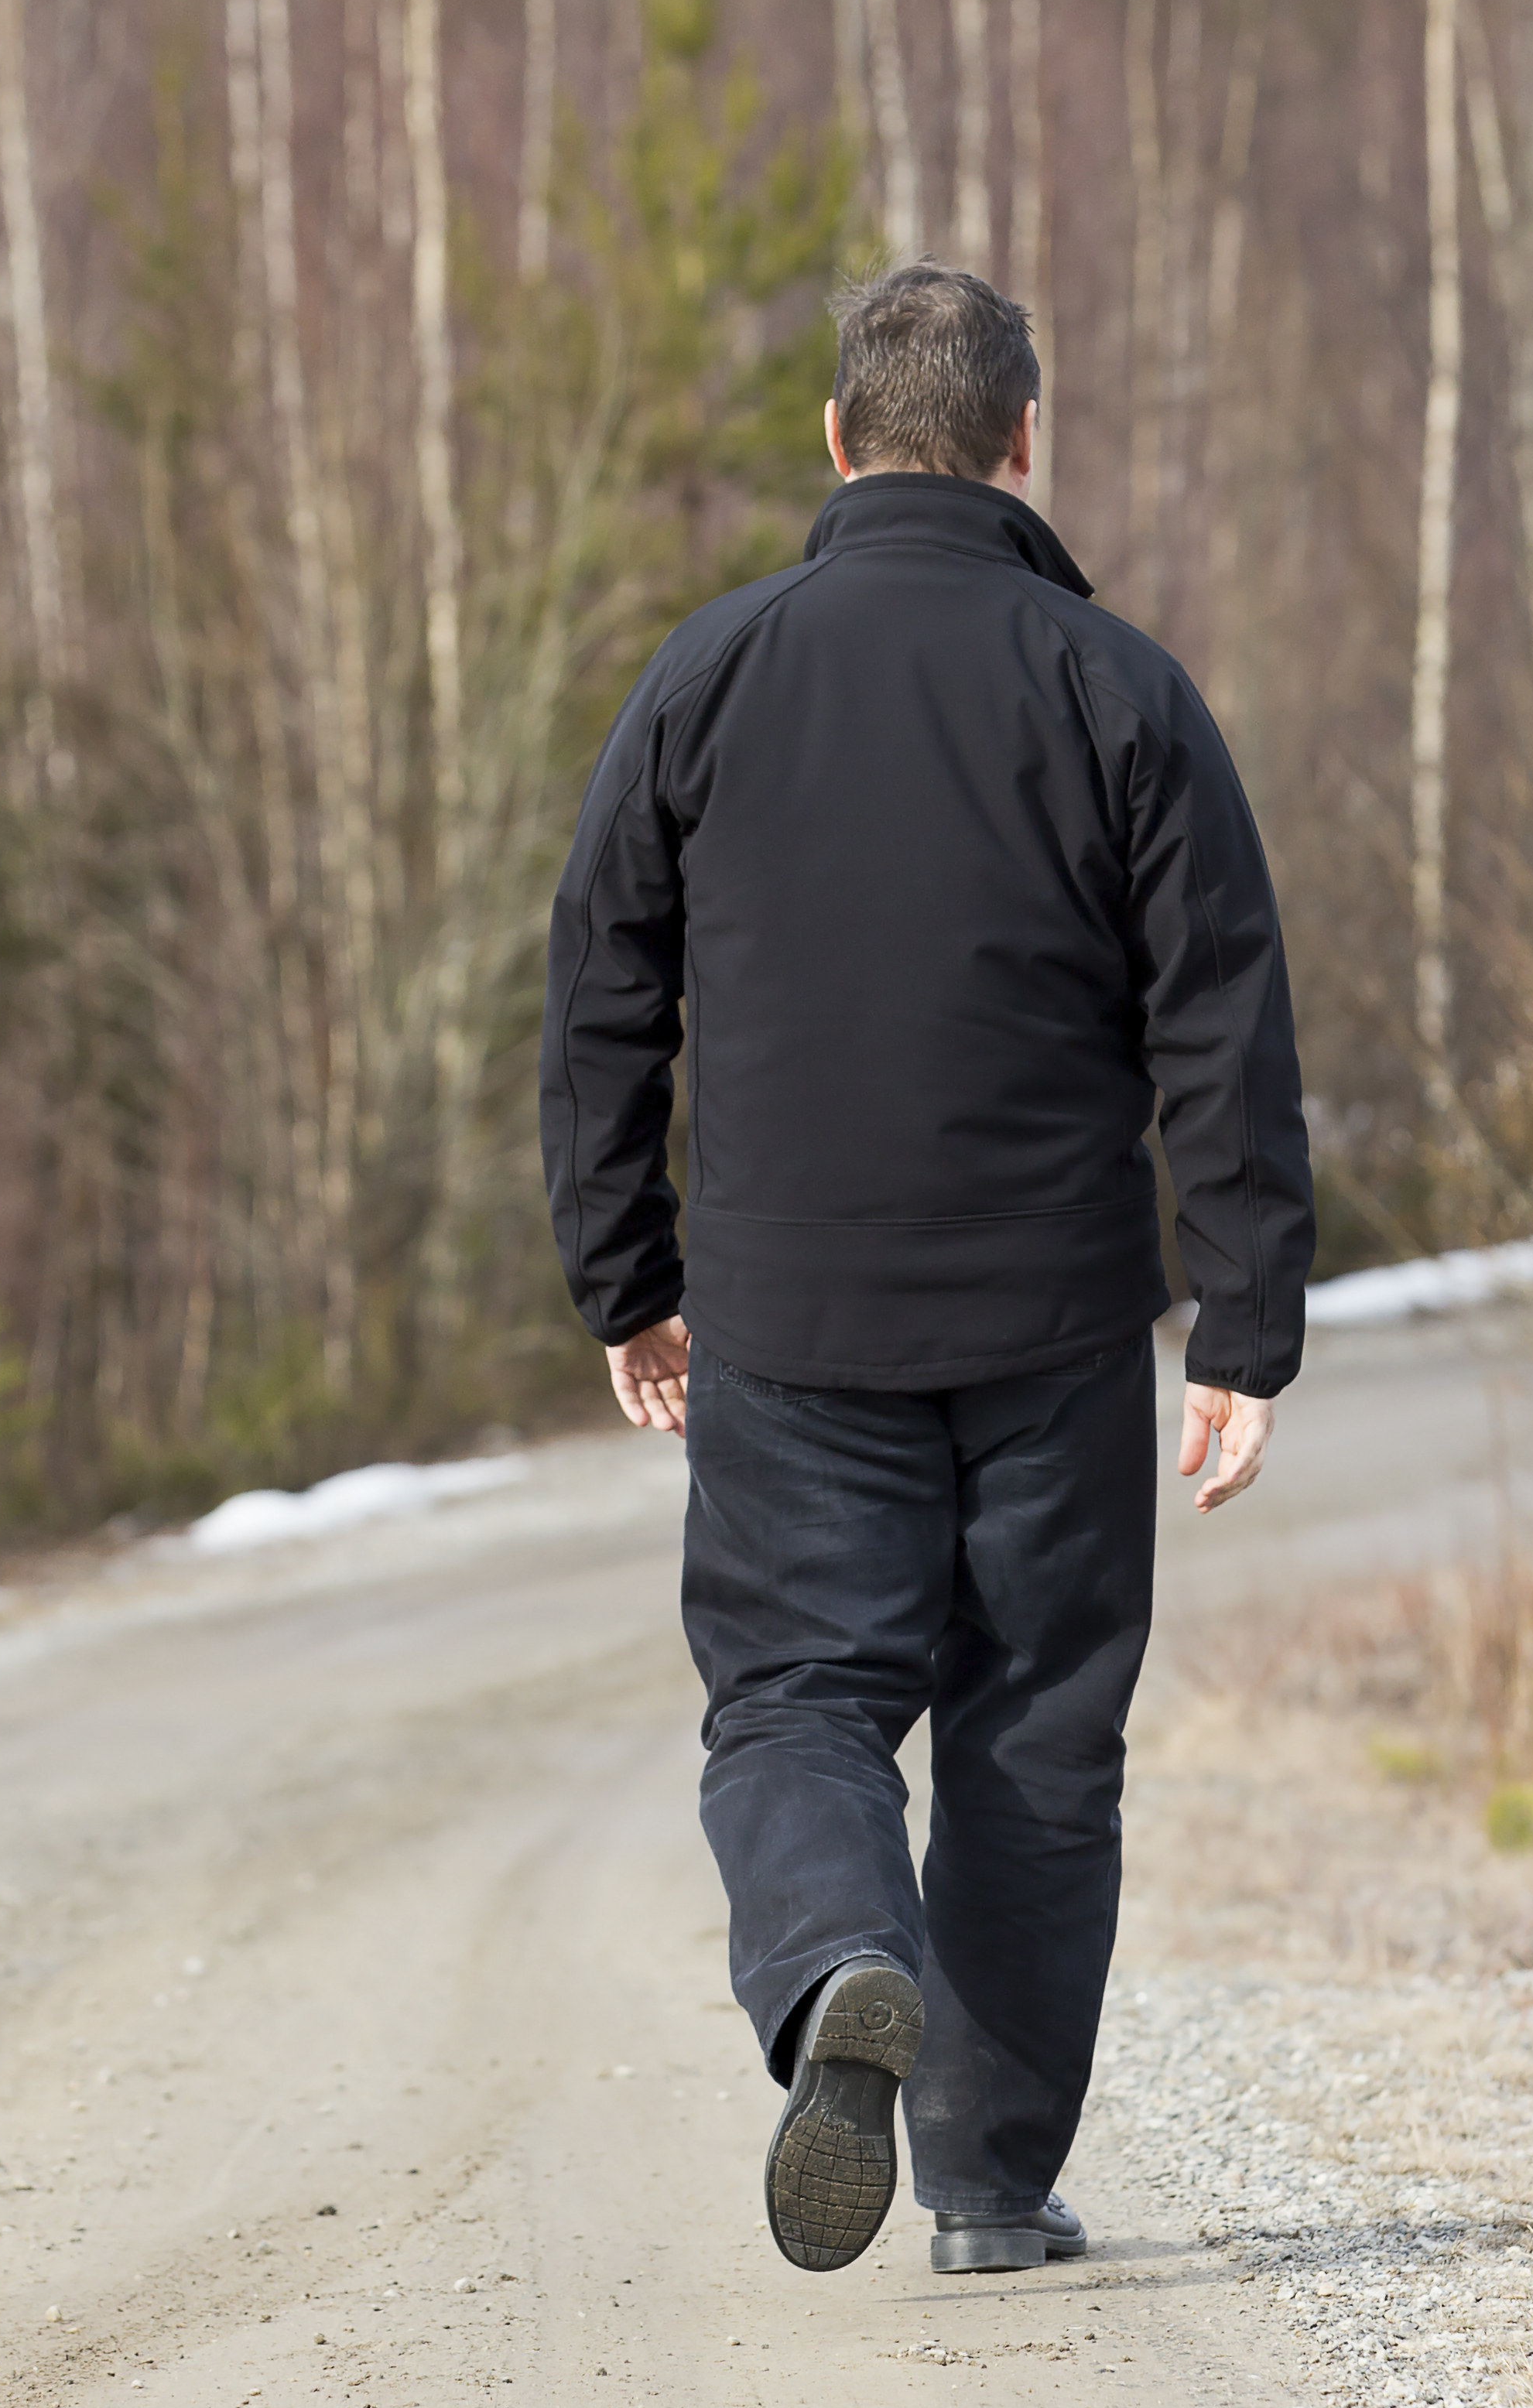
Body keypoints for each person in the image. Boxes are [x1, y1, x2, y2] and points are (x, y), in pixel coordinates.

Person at [539, 260, 1314, 2276]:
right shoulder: (1118, 688)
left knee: (798, 1699)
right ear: (1023, 442)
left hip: (792, 1326)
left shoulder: (711, 676)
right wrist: (1242, 1322)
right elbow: (1221, 1012)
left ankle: (833, 1971)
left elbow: (602, 981)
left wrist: (623, 1270)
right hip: (1055, 1330)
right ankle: (984, 2183)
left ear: (837, 442)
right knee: (1036, 1740)